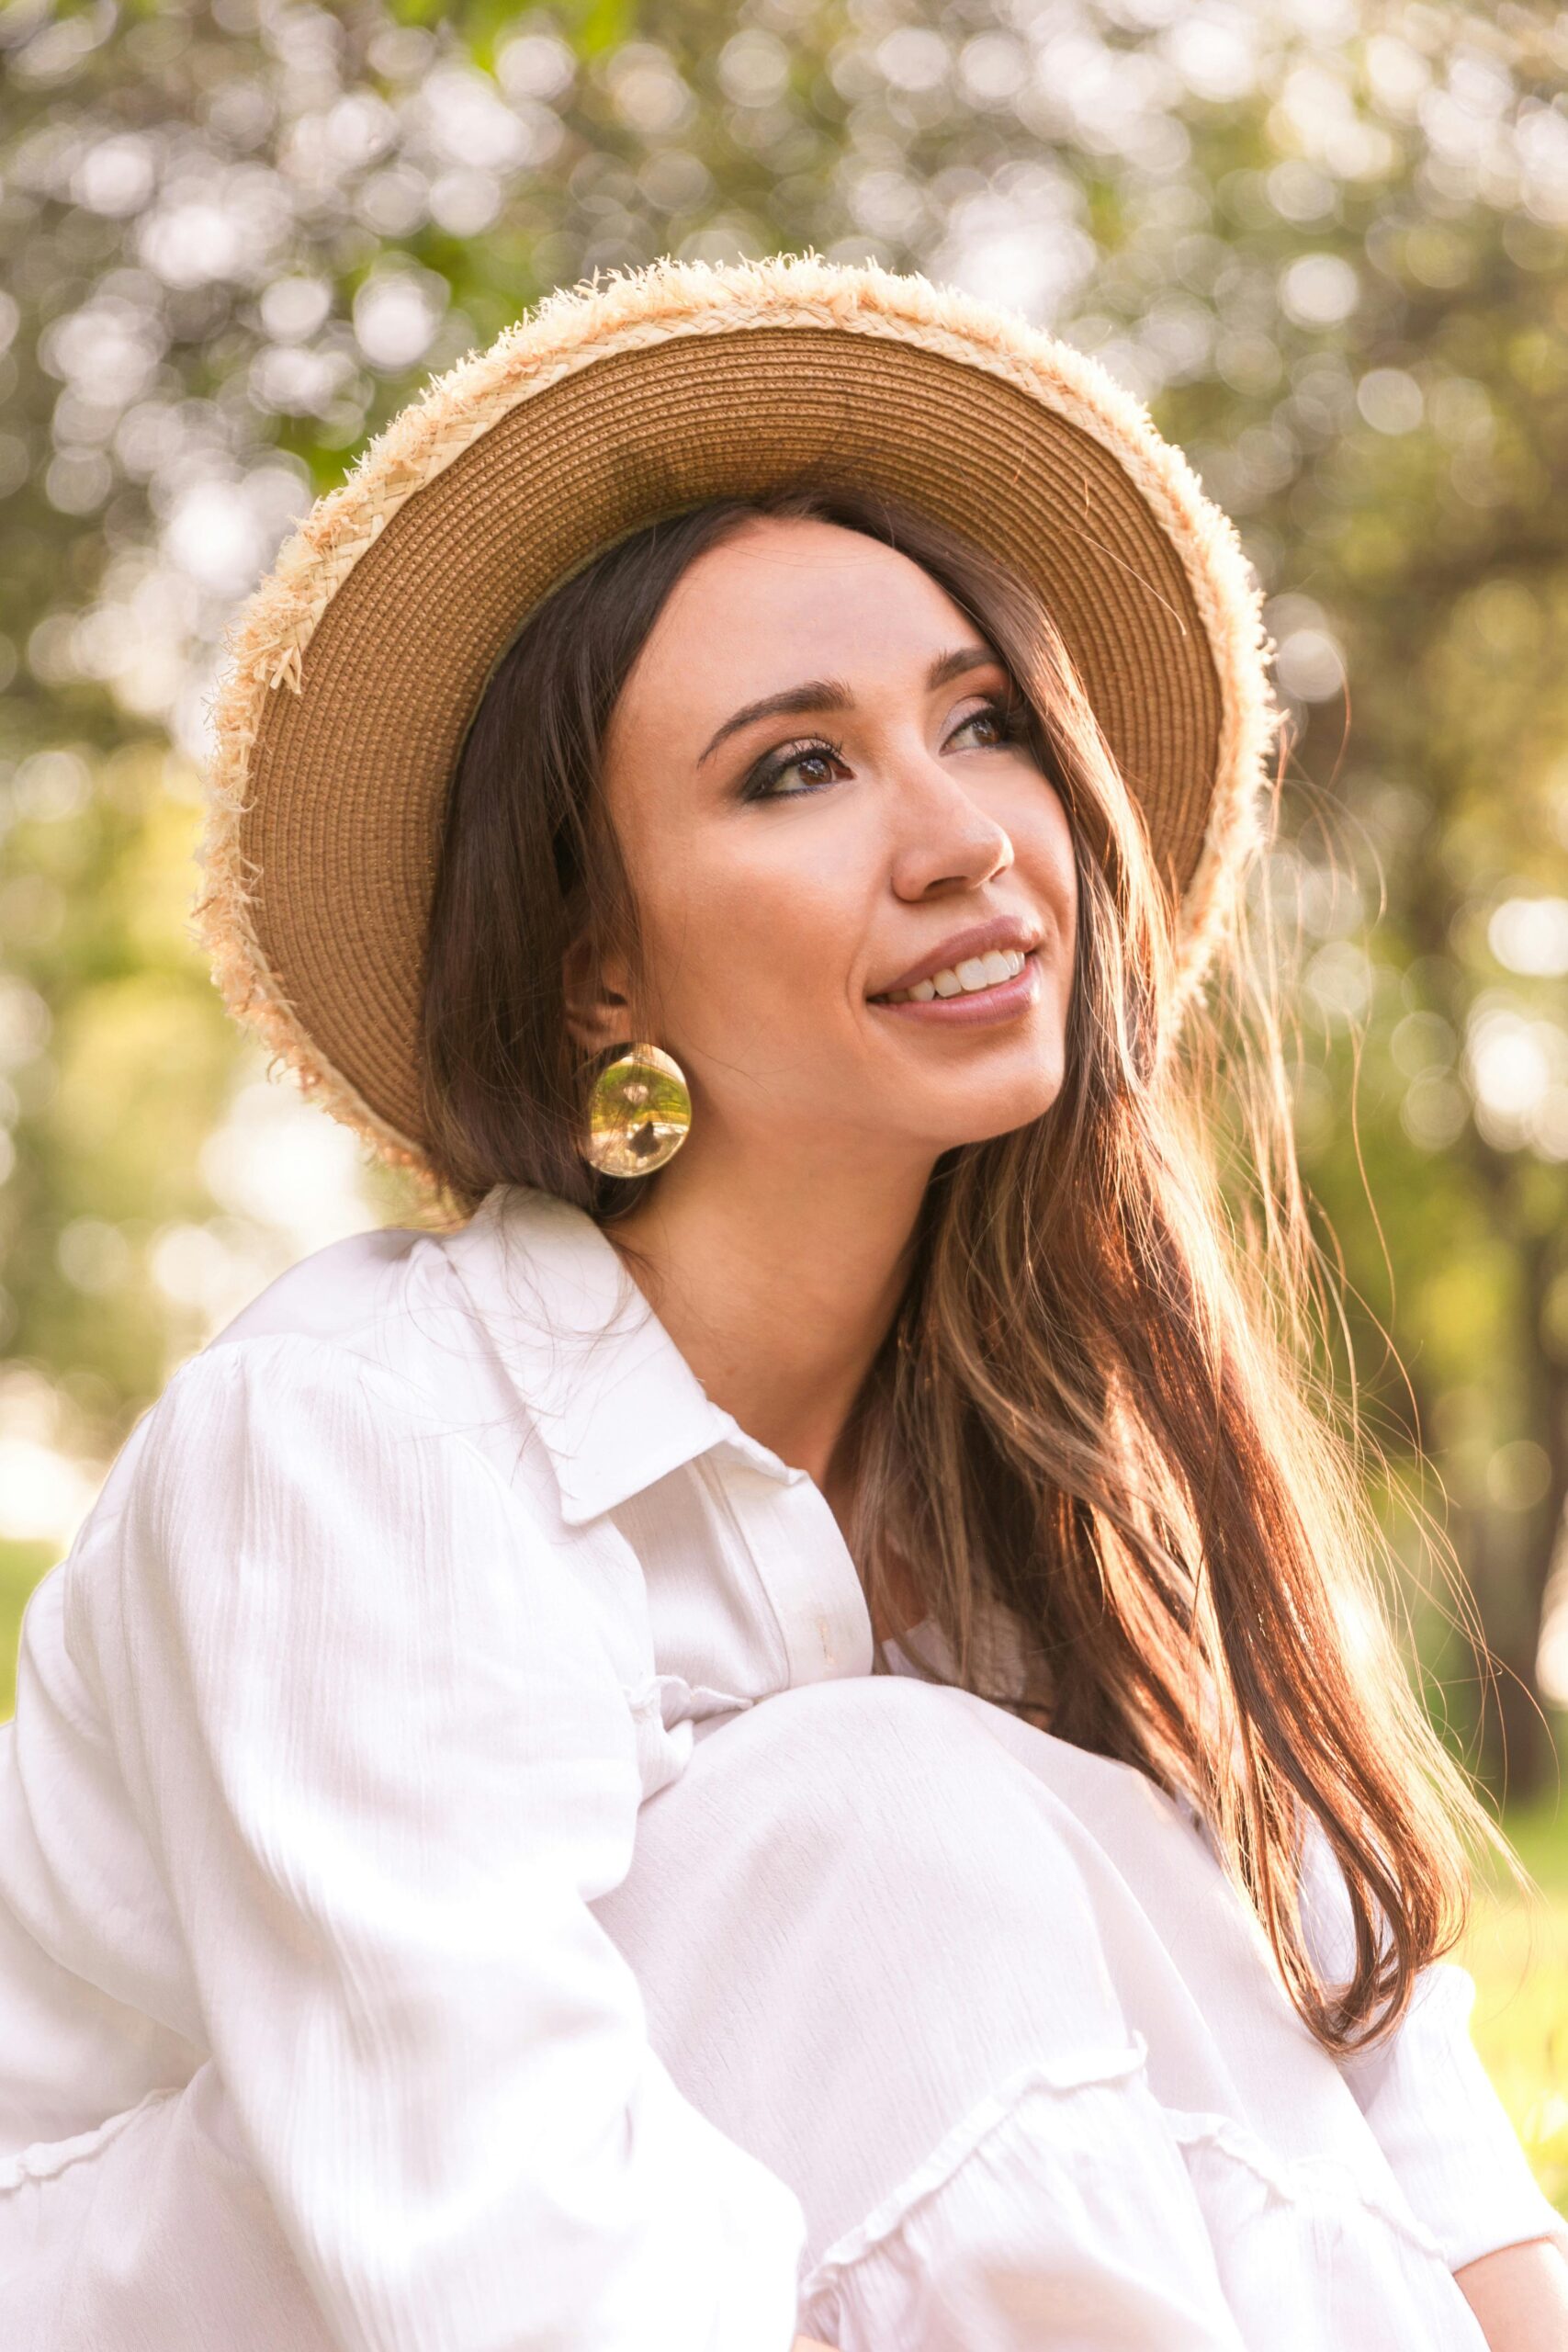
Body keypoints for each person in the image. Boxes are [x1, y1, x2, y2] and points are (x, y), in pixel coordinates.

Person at [1, 253, 1564, 2352]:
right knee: (870, 1814)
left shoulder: (1073, 1487)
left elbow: (1407, 2154)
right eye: (791, 771)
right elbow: (502, 2271)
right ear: (595, 974)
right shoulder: (362, 1438)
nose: (957, 840)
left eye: (981, 723)